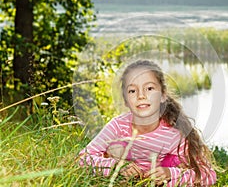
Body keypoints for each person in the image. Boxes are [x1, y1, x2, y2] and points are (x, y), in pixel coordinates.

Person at [79, 59, 217, 186]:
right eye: (132, 91)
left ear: (163, 95)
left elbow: (208, 174)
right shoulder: (118, 126)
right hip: (123, 181)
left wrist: (171, 174)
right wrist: (116, 166)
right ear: (126, 100)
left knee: (177, 162)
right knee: (115, 150)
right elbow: (82, 159)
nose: (141, 95)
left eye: (149, 88)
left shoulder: (174, 133)